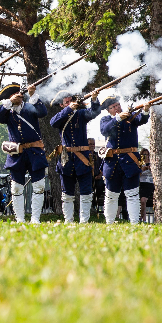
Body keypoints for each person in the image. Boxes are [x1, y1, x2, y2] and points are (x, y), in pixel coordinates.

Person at [0, 82, 48, 224]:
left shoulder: (30, 107)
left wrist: (33, 95)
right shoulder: (6, 113)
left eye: (19, 94)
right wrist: (10, 102)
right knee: (16, 188)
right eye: (14, 95)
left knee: (39, 186)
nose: (19, 97)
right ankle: (20, 219)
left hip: (35, 152)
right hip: (17, 154)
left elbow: (43, 112)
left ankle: (35, 219)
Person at [49, 89, 102, 223]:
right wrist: (68, 109)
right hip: (66, 159)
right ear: (61, 105)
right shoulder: (61, 115)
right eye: (66, 102)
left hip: (82, 158)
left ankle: (84, 221)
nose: (70, 103)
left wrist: (94, 99)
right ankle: (69, 220)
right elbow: (52, 123)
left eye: (71, 101)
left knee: (86, 192)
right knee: (67, 193)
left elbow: (94, 112)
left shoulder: (81, 114)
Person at [99, 95, 150, 224]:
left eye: (117, 105)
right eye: (113, 107)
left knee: (132, 195)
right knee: (111, 196)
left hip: (130, 161)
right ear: (108, 110)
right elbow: (104, 130)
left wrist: (145, 110)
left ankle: (134, 222)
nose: (116, 108)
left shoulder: (131, 117)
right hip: (112, 163)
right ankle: (109, 222)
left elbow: (142, 119)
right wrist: (118, 118)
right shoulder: (106, 119)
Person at [139, 148, 154, 222]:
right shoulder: (139, 163)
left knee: (143, 200)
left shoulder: (152, 162)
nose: (145, 156)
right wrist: (142, 169)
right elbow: (136, 174)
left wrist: (151, 169)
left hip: (150, 183)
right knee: (141, 201)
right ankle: (142, 219)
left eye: (147, 154)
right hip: (141, 183)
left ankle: (143, 219)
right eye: (143, 154)